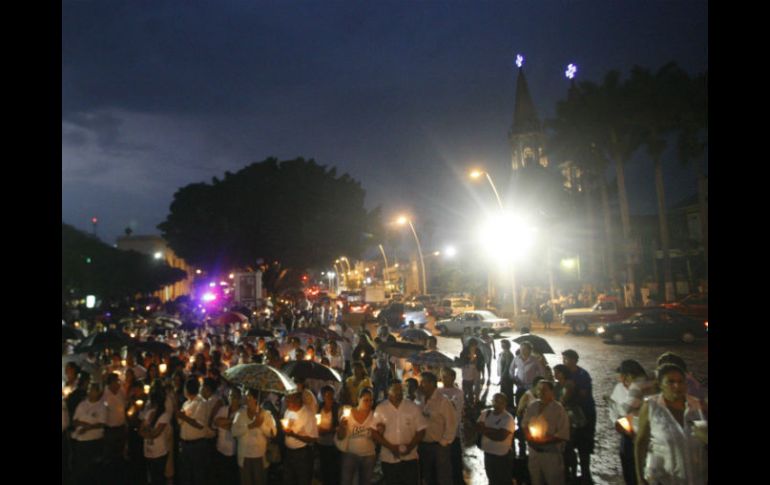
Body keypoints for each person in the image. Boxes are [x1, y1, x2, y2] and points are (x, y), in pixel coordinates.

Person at [634, 364, 707, 485]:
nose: (677, 386)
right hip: (663, 479)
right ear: (660, 384)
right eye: (670, 382)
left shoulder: (697, 405)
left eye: (680, 381)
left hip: (697, 478)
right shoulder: (651, 407)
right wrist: (640, 478)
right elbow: (640, 443)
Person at [607, 360, 655, 485]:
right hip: (651, 431)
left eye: (624, 378)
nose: (623, 382)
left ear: (629, 375)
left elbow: (625, 409)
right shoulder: (652, 381)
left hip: (636, 432)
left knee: (632, 468)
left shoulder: (637, 386)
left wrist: (611, 403)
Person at [371, 381, 427, 485]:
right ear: (388, 391)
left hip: (410, 458)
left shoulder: (412, 407)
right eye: (395, 390)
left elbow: (422, 429)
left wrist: (410, 447)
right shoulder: (381, 408)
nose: (399, 392)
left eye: (400, 389)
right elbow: (373, 431)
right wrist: (391, 447)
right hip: (388, 458)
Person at [523, 380, 571, 485]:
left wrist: (544, 440)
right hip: (534, 452)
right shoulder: (532, 406)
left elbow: (563, 434)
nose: (541, 392)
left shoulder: (558, 409)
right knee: (536, 480)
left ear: (551, 392)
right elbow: (525, 424)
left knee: (553, 481)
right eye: (539, 390)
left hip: (551, 454)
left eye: (544, 390)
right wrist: (530, 438)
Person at [562, 349, 596, 484]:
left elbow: (583, 394)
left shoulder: (582, 375)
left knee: (584, 446)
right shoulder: (565, 374)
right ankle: (571, 473)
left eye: (566, 359)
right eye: (563, 359)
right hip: (570, 415)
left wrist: (571, 391)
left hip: (584, 414)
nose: (564, 362)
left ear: (574, 360)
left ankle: (585, 475)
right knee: (568, 445)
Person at [416, 372, 457, 485]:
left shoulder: (443, 401)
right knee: (428, 476)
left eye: (423, 382)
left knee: (442, 477)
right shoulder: (420, 399)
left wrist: (443, 443)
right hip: (423, 445)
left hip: (438, 446)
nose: (420, 385)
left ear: (432, 383)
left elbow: (451, 424)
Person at [231, 388, 277, 485]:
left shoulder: (266, 414)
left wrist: (261, 424)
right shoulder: (240, 413)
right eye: (245, 395)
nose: (245, 397)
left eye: (248, 396)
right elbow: (234, 432)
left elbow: (273, 433)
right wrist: (250, 426)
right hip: (244, 457)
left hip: (260, 456)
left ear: (256, 399)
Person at [510, 342, 546, 457]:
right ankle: (521, 425)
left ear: (530, 350)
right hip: (520, 387)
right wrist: (514, 379)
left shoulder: (534, 360)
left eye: (525, 349)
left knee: (533, 408)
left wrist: (537, 384)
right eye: (521, 349)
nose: (523, 351)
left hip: (531, 388)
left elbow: (542, 372)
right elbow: (511, 370)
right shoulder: (517, 359)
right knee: (520, 407)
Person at [337, 387, 378, 485]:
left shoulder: (374, 415)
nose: (369, 403)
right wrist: (342, 427)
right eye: (366, 400)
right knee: (347, 481)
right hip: (350, 454)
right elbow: (340, 437)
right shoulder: (348, 414)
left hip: (368, 455)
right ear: (358, 399)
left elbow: (376, 439)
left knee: (365, 482)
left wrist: (379, 431)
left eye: (371, 400)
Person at [176, 377, 211, 485]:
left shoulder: (202, 403)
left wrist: (184, 417)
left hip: (197, 445)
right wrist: (181, 417)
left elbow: (200, 424)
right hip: (185, 444)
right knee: (186, 474)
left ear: (187, 389)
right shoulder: (186, 403)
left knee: (198, 474)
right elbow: (180, 422)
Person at [71, 381, 108, 485]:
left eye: (92, 390)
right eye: (89, 390)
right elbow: (74, 420)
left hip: (94, 440)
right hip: (81, 440)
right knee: (81, 465)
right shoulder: (82, 404)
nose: (89, 392)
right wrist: (83, 424)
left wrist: (88, 427)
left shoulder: (101, 406)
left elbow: (102, 423)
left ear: (98, 392)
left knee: (93, 466)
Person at [476, 393, 516, 485]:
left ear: (505, 404)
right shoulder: (486, 413)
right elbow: (478, 427)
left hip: (502, 456)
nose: (497, 404)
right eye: (496, 401)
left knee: (503, 480)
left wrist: (485, 430)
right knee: (492, 479)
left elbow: (500, 437)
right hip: (488, 454)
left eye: (500, 402)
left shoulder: (508, 418)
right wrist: (494, 431)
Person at [282, 391, 319, 485]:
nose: (286, 403)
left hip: (302, 454)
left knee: (303, 479)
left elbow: (313, 438)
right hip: (288, 452)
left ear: (297, 400)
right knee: (289, 479)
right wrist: (285, 431)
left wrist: (294, 435)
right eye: (286, 400)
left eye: (289, 400)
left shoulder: (308, 414)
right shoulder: (288, 411)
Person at [140, 381, 173, 484]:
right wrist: (148, 433)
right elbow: (141, 430)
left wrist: (146, 432)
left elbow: (156, 433)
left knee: (158, 478)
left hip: (159, 453)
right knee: (151, 478)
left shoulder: (164, 415)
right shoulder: (149, 413)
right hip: (148, 452)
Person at [439, 367, 465, 485]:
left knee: (455, 460)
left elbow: (454, 408)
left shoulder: (458, 393)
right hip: (440, 432)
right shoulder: (438, 391)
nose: (444, 379)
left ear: (453, 377)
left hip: (454, 432)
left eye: (446, 376)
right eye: (442, 377)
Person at [101, 372, 128, 482]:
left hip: (121, 427)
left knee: (120, 454)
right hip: (110, 430)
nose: (118, 383)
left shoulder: (121, 391)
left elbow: (125, 405)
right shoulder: (105, 395)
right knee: (110, 455)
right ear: (111, 383)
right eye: (117, 381)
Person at [213, 387, 241, 485]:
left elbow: (234, 430)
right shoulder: (223, 409)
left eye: (234, 396)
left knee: (232, 479)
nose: (231, 398)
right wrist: (231, 421)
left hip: (234, 453)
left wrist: (224, 423)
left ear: (239, 398)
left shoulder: (241, 413)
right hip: (220, 450)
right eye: (230, 395)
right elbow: (216, 422)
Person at [317, 386, 342, 485]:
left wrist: (328, 431)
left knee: (334, 467)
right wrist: (318, 429)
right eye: (328, 395)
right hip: (321, 442)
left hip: (333, 443)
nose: (331, 397)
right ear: (323, 396)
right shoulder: (319, 407)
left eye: (332, 394)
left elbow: (339, 426)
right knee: (324, 465)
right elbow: (316, 421)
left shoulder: (337, 408)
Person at [459, 339, 485, 407]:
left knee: (477, 384)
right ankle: (466, 400)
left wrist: (477, 361)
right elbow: (462, 360)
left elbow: (482, 360)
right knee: (468, 385)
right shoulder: (465, 351)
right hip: (468, 370)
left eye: (475, 346)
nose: (474, 347)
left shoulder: (478, 351)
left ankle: (477, 399)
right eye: (473, 346)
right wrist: (469, 360)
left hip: (476, 369)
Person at [497, 339, 515, 409]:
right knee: (504, 391)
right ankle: (505, 405)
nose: (502, 346)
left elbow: (507, 366)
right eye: (501, 344)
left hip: (507, 376)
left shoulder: (508, 354)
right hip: (503, 375)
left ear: (508, 345)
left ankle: (509, 406)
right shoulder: (503, 353)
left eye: (504, 344)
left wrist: (502, 377)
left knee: (507, 391)